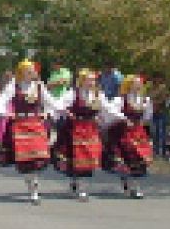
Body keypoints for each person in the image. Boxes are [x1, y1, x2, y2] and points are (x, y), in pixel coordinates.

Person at [0, 59, 65, 205]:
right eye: (29, 70)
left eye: (33, 70)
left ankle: (33, 186)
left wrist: (50, 112)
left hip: (36, 124)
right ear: (22, 72)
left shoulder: (39, 86)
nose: (32, 72)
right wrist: (6, 113)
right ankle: (31, 184)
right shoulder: (14, 86)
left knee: (38, 156)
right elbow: (2, 101)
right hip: (20, 125)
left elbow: (51, 102)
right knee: (26, 158)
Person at [53, 69, 122, 200]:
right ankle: (80, 187)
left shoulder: (98, 94)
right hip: (75, 128)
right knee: (78, 156)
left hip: (91, 130)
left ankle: (79, 184)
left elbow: (108, 108)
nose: (91, 82)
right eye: (88, 80)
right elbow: (58, 104)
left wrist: (120, 117)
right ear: (82, 81)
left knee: (90, 155)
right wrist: (66, 112)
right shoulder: (73, 93)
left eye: (93, 80)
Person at [103, 75, 152, 198]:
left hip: (138, 132)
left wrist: (142, 122)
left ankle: (134, 185)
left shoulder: (145, 100)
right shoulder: (120, 100)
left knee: (139, 157)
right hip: (123, 132)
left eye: (140, 83)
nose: (139, 86)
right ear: (129, 85)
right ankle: (129, 183)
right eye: (136, 83)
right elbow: (111, 112)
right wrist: (123, 119)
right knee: (127, 156)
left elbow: (147, 116)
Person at [47, 60, 72, 136]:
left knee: (62, 119)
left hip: (62, 98)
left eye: (54, 64)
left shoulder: (66, 72)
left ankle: (61, 137)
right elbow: (48, 85)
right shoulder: (53, 73)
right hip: (53, 98)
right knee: (51, 118)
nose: (53, 66)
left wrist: (53, 83)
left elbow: (63, 82)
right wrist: (56, 83)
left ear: (59, 65)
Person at [148, 71, 170, 157]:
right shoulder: (151, 87)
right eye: (156, 78)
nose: (157, 79)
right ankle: (155, 151)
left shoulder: (163, 87)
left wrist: (156, 102)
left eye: (159, 78)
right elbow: (149, 98)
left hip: (161, 112)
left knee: (162, 133)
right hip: (153, 112)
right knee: (154, 132)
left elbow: (164, 99)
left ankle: (163, 152)